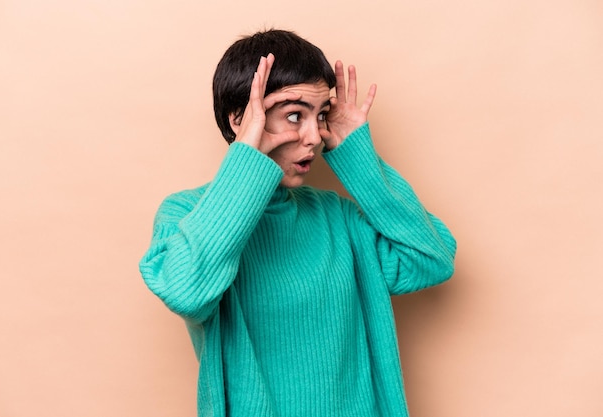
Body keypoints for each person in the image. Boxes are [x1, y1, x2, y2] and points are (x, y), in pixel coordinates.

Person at [139, 29, 456, 417]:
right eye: (294, 115)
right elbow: (186, 291)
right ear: (241, 118)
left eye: (321, 116)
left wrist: (357, 152)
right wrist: (246, 158)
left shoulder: (336, 217)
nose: (314, 137)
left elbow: (431, 259)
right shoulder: (187, 214)